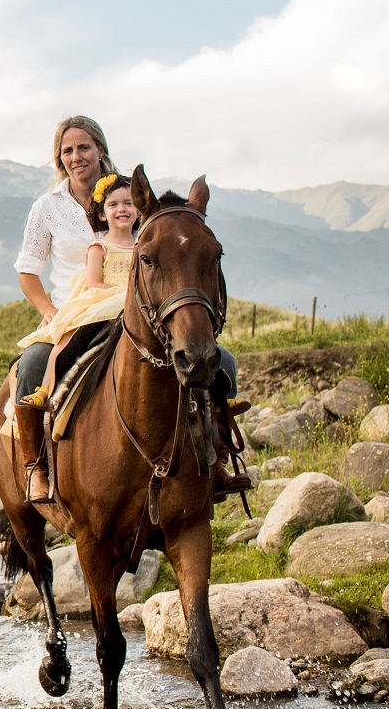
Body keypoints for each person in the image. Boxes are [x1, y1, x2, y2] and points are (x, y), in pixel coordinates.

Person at [13, 115, 247, 504]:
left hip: (140, 307)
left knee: (220, 361)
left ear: (100, 150)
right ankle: (35, 466)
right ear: (59, 158)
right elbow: (28, 269)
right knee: (33, 365)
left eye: (84, 147)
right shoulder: (47, 207)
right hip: (80, 307)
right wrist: (49, 310)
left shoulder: (131, 196)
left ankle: (216, 456)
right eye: (67, 150)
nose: (77, 156)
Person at [17, 172, 138, 361]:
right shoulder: (99, 248)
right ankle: (43, 388)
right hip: (99, 307)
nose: (122, 209)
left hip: (138, 309)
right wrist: (48, 310)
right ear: (102, 213)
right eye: (113, 204)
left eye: (128, 203)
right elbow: (94, 283)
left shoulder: (142, 246)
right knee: (37, 359)